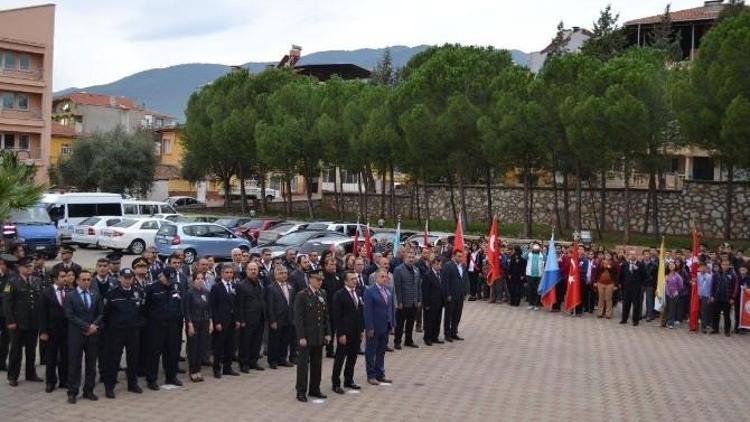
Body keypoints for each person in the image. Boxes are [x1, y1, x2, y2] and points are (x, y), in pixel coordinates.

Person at [102, 268, 145, 398]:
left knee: (133, 359)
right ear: (120, 278)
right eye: (125, 278)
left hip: (133, 331)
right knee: (113, 359)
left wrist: (138, 324)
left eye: (130, 277)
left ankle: (132, 384)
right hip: (116, 332)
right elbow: (106, 314)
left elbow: (142, 310)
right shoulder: (112, 294)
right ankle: (109, 387)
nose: (127, 280)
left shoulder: (138, 292)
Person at [3, 256, 42, 386]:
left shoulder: (37, 280)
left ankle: (31, 373)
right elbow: (7, 304)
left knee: (31, 349)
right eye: (27, 266)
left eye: (31, 266)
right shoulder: (12, 282)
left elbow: (39, 301)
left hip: (33, 322)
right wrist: (10, 321)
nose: (29, 268)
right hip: (18, 323)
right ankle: (13, 376)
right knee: (16, 350)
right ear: (20, 268)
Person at [64, 270, 102, 403]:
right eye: (83, 279)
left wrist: (94, 326)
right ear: (77, 281)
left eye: (88, 279)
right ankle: (72, 392)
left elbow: (101, 313)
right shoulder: (70, 296)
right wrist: (87, 326)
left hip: (92, 335)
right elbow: (70, 315)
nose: (86, 282)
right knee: (75, 364)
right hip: (76, 335)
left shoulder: (96, 294)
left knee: (91, 364)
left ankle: (89, 390)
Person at [294, 270, 330, 402]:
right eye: (317, 279)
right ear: (310, 280)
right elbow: (299, 318)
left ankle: (315, 388)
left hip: (318, 335)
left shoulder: (322, 293)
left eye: (321, 279)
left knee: (317, 364)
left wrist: (327, 333)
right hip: (306, 336)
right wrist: (301, 336)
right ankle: (301, 390)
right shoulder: (302, 295)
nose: (320, 282)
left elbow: (325, 316)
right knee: (303, 365)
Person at [144, 267, 183, 389]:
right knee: (154, 353)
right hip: (156, 325)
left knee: (171, 352)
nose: (169, 282)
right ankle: (151, 380)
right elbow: (145, 308)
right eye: (167, 279)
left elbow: (178, 304)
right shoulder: (152, 288)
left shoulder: (175, 286)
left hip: (172, 325)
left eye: (171, 279)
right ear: (161, 276)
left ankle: (171, 377)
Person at [38, 267, 70, 392]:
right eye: (63, 276)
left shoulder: (69, 291)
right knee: (51, 358)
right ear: (55, 278)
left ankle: (64, 380)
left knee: (65, 357)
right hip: (51, 331)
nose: (66, 279)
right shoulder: (46, 293)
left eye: (66, 276)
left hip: (66, 330)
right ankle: (50, 382)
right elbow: (42, 314)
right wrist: (43, 331)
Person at [331, 270, 363, 394]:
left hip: (356, 331)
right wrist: (341, 333)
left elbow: (360, 312)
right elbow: (337, 316)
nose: (354, 281)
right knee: (340, 358)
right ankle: (336, 383)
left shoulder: (358, 292)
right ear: (345, 281)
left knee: (352, 357)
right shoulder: (339, 295)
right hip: (345, 332)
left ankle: (349, 380)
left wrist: (361, 329)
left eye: (355, 279)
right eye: (351, 279)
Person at [363, 269, 394, 386]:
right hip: (374, 327)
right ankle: (371, 375)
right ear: (376, 278)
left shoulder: (388, 290)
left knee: (381, 351)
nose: (385, 279)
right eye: (382, 277)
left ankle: (380, 373)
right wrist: (369, 327)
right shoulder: (370, 291)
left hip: (385, 325)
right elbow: (367, 311)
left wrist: (392, 323)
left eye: (386, 277)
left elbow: (391, 308)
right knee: (371, 351)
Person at [210, 264, 240, 378]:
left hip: (232, 320)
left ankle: (228, 367)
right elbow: (213, 306)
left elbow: (236, 304)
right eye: (226, 272)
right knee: (219, 346)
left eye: (231, 273)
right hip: (221, 321)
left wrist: (237, 319)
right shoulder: (216, 287)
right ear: (222, 274)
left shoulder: (234, 286)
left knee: (230, 345)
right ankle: (216, 368)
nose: (229, 275)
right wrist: (216, 322)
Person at [236, 262, 265, 372]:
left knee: (256, 341)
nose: (253, 271)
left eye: (255, 269)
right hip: (247, 319)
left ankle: (254, 361)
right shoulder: (241, 285)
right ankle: (244, 363)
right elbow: (240, 304)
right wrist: (241, 319)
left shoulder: (260, 283)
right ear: (246, 271)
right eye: (251, 269)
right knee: (245, 342)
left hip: (259, 317)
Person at [183, 271, 212, 382]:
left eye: (202, 279)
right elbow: (187, 310)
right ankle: (192, 371)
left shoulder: (206, 292)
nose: (200, 281)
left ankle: (198, 370)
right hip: (193, 323)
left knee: (201, 348)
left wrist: (210, 322)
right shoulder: (189, 294)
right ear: (193, 280)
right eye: (198, 278)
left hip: (204, 322)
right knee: (193, 348)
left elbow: (209, 309)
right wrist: (189, 324)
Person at [266, 265, 295, 369]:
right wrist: (272, 320)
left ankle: (282, 359)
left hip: (288, 317)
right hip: (277, 318)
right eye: (281, 273)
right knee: (275, 340)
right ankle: (273, 360)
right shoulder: (271, 287)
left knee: (285, 340)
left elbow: (291, 302)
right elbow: (270, 305)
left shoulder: (290, 286)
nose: (284, 275)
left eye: (285, 273)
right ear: (275, 275)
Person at [393, 250, 422, 349]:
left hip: (414, 302)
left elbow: (418, 286)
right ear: (404, 258)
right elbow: (397, 287)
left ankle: (408, 340)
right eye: (409, 257)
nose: (411, 259)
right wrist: (399, 301)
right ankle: (397, 341)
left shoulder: (416, 270)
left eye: (412, 257)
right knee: (400, 323)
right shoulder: (398, 270)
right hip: (403, 302)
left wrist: (419, 300)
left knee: (410, 323)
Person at [442, 249, 468, 341]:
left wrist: (465, 292)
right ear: (453, 256)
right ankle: (447, 333)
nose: (461, 258)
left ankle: (454, 332)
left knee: (457, 314)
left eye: (462, 256)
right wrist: (447, 294)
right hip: (451, 295)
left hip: (460, 295)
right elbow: (445, 282)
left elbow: (465, 279)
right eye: (459, 256)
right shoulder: (448, 266)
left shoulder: (463, 266)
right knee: (449, 315)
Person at [322, 257, 343, 358]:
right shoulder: (323, 278)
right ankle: (324, 347)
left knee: (333, 329)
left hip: (336, 308)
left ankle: (330, 349)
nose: (334, 267)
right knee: (326, 329)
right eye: (331, 264)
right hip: (326, 307)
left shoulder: (337, 277)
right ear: (325, 266)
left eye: (335, 265)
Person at [421, 256, 444, 346]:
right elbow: (425, 291)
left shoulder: (440, 274)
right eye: (437, 264)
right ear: (433, 264)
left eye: (440, 265)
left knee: (437, 321)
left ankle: (435, 337)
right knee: (429, 321)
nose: (439, 266)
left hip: (439, 302)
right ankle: (427, 338)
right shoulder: (428, 275)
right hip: (430, 303)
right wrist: (426, 304)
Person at [711, 259, 737, 336]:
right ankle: (715, 329)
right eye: (723, 264)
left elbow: (735, 287)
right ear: (721, 265)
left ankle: (727, 330)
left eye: (726, 265)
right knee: (715, 314)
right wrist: (712, 296)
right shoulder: (716, 274)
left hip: (727, 298)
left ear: (729, 266)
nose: (725, 266)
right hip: (717, 297)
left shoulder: (733, 275)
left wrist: (733, 298)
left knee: (727, 315)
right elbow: (712, 286)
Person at [619, 250, 645, 326]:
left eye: (634, 254)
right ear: (628, 255)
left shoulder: (640, 265)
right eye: (630, 254)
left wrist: (640, 284)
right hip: (627, 288)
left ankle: (635, 321)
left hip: (636, 288)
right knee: (626, 304)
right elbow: (621, 276)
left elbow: (644, 276)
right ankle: (624, 319)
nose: (632, 256)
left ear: (636, 255)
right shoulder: (625, 264)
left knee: (636, 305)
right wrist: (621, 284)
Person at [0, 254, 15, 371]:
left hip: (5, 314)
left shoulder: (11, 278)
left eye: (2, 264)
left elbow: (7, 296)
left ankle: (2, 362)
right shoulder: (4, 276)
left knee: (5, 340)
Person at [525, 242, 544, 310]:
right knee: (530, 290)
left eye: (537, 247)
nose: (535, 249)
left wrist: (542, 251)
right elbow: (523, 257)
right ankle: (531, 304)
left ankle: (536, 304)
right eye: (534, 247)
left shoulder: (541, 255)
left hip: (538, 276)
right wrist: (529, 250)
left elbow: (546, 258)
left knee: (537, 290)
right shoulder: (529, 254)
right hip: (530, 275)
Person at [665, 262, 683, 329]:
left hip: (674, 294)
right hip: (667, 294)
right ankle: (666, 321)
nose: (671, 266)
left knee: (672, 309)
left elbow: (681, 285)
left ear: (675, 266)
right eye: (670, 265)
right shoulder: (666, 275)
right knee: (667, 308)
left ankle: (671, 323)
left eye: (673, 265)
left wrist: (676, 291)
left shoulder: (677, 275)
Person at [696, 261, 713, 333]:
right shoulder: (696, 275)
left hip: (705, 296)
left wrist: (709, 296)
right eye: (701, 267)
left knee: (704, 312)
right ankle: (695, 325)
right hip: (697, 296)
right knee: (696, 310)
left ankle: (704, 327)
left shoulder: (709, 276)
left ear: (706, 268)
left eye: (704, 267)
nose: (702, 268)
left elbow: (710, 287)